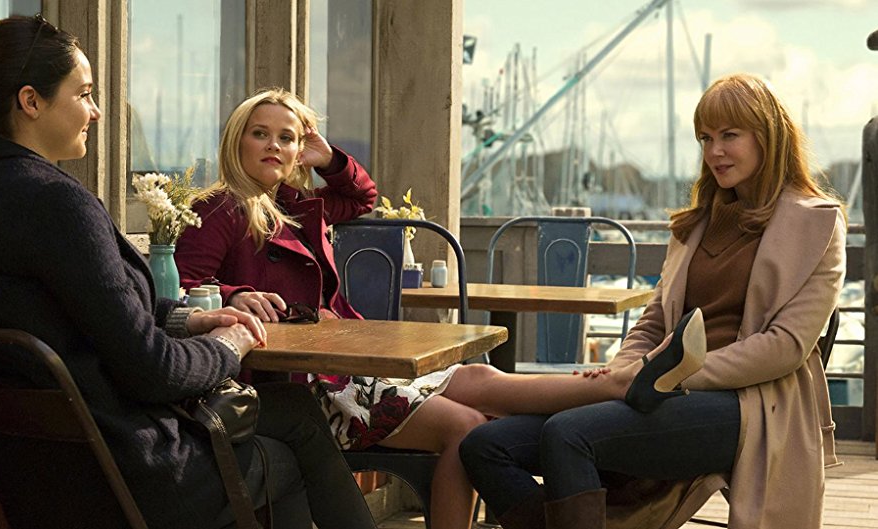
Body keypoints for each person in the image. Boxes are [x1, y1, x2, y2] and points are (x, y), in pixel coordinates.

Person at [174, 87, 712, 529]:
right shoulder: (217, 209)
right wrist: (232, 294)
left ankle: (618, 384)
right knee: (468, 426)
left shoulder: (295, 205)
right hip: (303, 387)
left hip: (344, 367)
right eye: (260, 133)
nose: (274, 145)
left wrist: (329, 157)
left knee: (479, 377)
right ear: (236, 139)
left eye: (287, 137)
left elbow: (361, 196)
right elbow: (183, 291)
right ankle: (618, 390)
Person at [0, 16, 379, 529]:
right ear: (31, 101)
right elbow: (154, 371)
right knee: (294, 445)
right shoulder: (55, 205)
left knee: (296, 409)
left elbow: (86, 308)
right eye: (84, 94)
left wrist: (187, 318)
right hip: (133, 472)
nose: (96, 111)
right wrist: (228, 346)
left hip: (37, 470)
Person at [458, 72, 847, 529]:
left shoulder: (817, 223)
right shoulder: (695, 225)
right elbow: (654, 321)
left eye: (729, 135)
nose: (714, 151)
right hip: (656, 389)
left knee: (568, 433)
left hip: (750, 404)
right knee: (485, 445)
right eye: (705, 138)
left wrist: (665, 375)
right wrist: (625, 371)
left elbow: (785, 347)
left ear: (769, 136)